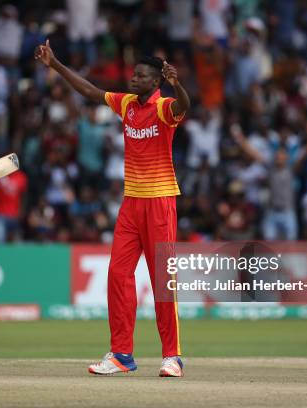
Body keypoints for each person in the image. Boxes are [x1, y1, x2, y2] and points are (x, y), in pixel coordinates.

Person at [35, 40, 190, 377]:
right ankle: (122, 354)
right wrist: (56, 65)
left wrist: (177, 85)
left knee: (163, 279)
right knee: (118, 275)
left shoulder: (164, 108)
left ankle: (172, 356)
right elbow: (90, 92)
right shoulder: (127, 104)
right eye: (133, 75)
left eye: (141, 76)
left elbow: (184, 106)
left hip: (160, 201)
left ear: (155, 82)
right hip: (131, 203)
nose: (133, 80)